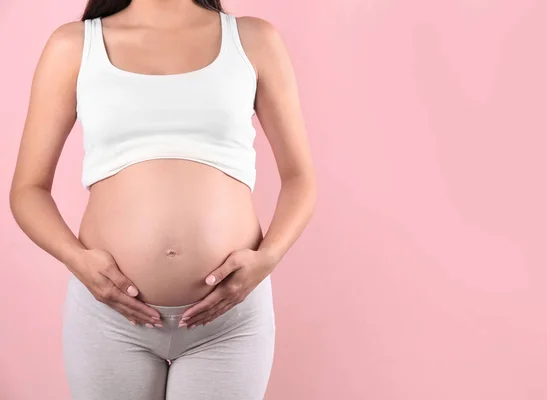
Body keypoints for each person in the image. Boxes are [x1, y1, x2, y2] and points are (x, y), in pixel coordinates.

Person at [8, 0, 316, 398]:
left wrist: (267, 258)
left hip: (230, 321)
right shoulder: (74, 46)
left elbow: (300, 178)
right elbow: (28, 190)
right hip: (111, 319)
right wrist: (77, 259)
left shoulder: (254, 41)